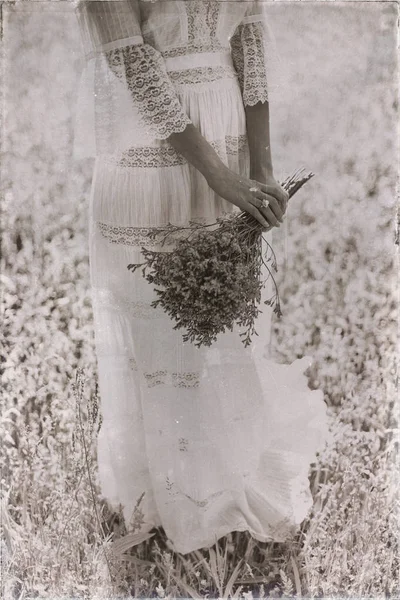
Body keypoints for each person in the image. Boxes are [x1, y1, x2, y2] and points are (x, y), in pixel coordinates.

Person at [73, 0, 331, 555]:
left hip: (228, 124)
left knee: (217, 318)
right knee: (156, 314)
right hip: (151, 141)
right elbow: (134, 63)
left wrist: (259, 170)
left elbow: (250, 40)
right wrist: (216, 173)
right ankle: (165, 488)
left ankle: (221, 473)